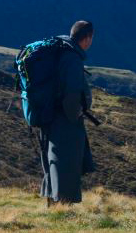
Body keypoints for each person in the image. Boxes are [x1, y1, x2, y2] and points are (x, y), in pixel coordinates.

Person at [41, 20, 96, 205]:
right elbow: (71, 93)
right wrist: (75, 115)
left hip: (49, 116)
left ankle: (53, 203)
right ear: (87, 38)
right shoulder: (71, 58)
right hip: (64, 119)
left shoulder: (61, 52)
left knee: (53, 160)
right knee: (67, 162)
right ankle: (63, 207)